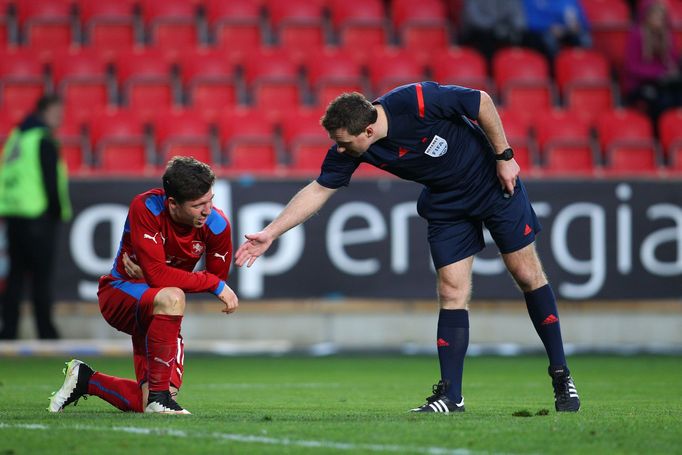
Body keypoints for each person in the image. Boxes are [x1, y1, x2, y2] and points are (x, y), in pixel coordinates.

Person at [235, 83, 581, 413]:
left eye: (343, 142)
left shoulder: (416, 100)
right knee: (451, 290)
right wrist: (272, 232)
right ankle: (451, 395)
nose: (339, 149)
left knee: (525, 273)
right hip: (447, 203)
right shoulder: (352, 146)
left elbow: (482, 102)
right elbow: (318, 190)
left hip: (493, 185)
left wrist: (504, 156)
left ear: (367, 132)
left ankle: (561, 375)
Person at [47, 156, 238, 415]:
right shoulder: (146, 207)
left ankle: (87, 380)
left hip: (161, 308)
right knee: (172, 296)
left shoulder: (217, 225)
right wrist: (202, 282)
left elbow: (210, 276)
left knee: (143, 401)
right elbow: (198, 280)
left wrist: (162, 276)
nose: (208, 210)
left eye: (210, 200)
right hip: (120, 292)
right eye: (198, 205)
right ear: (172, 204)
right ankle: (160, 398)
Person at [0, 94, 72, 340]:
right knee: (41, 277)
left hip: (14, 213)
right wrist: (55, 211)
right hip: (38, 215)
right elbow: (50, 181)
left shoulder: (17, 137)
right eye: (56, 113)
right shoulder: (42, 139)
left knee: (16, 277)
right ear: (44, 112)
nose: (59, 119)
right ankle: (46, 332)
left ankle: (8, 331)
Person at [623, 0, 682, 122]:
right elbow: (632, 66)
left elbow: (672, 60)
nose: (658, 19)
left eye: (661, 16)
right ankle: (657, 132)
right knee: (660, 101)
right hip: (641, 84)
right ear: (647, 16)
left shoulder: (666, 36)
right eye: (655, 15)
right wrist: (657, 74)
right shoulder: (637, 35)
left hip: (664, 83)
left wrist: (671, 71)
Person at [522, 0, 591, 59]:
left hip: (568, 30)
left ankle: (586, 67)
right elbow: (530, 22)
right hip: (543, 32)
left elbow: (583, 21)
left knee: (584, 38)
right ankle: (554, 70)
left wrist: (578, 25)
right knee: (549, 40)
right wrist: (549, 27)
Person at [459, 0, 525, 61]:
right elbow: (473, 18)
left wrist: (505, 29)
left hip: (504, 32)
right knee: (486, 41)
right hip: (480, 33)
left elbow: (519, 20)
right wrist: (494, 27)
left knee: (524, 39)